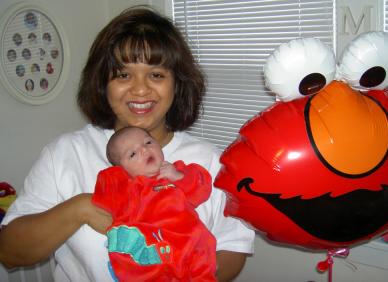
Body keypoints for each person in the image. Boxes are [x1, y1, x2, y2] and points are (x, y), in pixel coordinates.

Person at [0, 6, 255, 282]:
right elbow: (11, 251)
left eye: (156, 75)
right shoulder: (64, 153)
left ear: (176, 84)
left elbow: (233, 249)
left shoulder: (209, 162)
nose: (140, 89)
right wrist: (81, 208)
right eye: (123, 75)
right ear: (102, 83)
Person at [94, 126, 216, 281]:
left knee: (203, 267)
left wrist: (178, 176)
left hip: (192, 242)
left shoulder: (175, 171)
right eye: (132, 154)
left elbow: (202, 189)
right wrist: (115, 176)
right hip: (156, 251)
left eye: (148, 142)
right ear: (122, 169)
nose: (144, 150)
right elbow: (105, 197)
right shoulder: (130, 188)